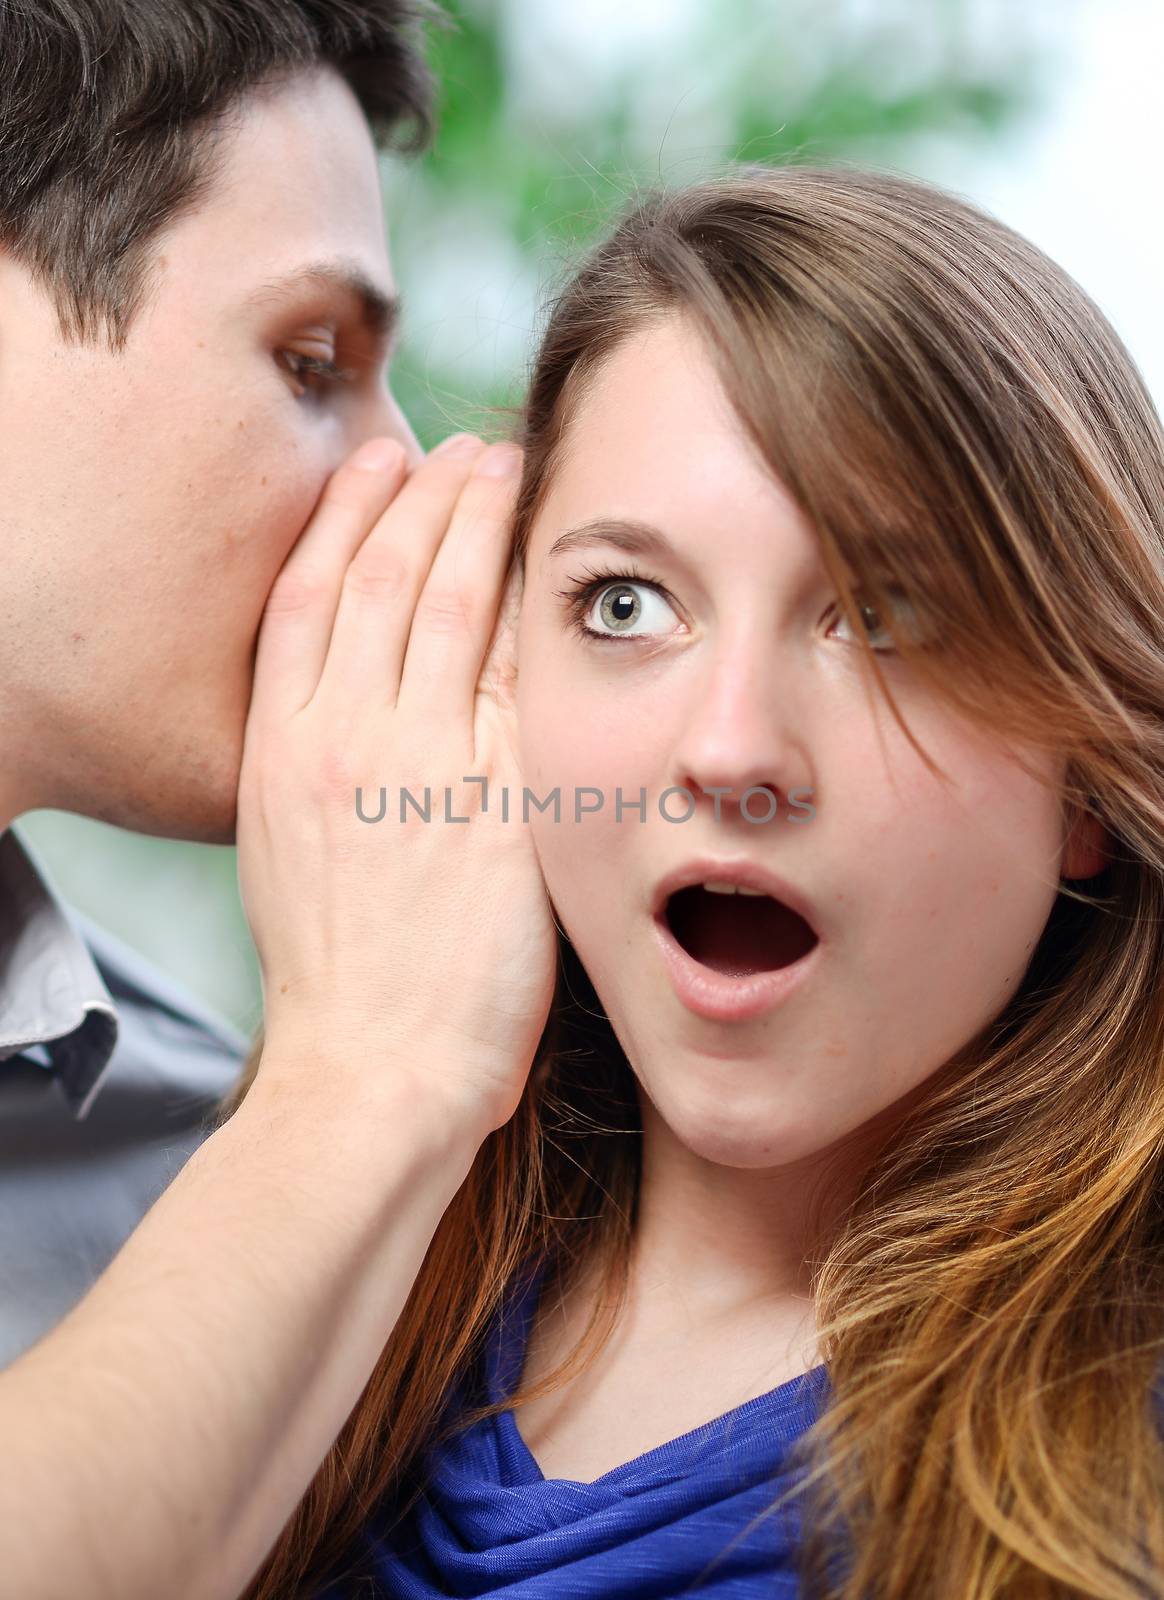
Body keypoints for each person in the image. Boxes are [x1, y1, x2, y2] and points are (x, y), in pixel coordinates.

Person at [226, 165, 1164, 1599]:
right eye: (625, 604)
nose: (731, 750)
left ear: (1090, 782)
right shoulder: (319, 1284)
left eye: (886, 616)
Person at [0, 3, 538, 1597]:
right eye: (310, 361)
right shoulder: (322, 1136)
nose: (397, 471)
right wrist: (373, 1070)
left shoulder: (193, 1158)